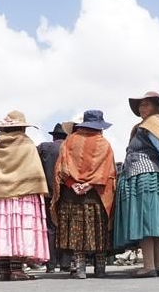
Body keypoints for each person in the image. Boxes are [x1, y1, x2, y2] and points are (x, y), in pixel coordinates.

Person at [0, 110, 50, 281]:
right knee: (18, 230)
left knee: (3, 231)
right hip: (22, 194)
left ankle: (5, 270)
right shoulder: (27, 144)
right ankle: (17, 270)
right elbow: (34, 169)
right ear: (23, 127)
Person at [113, 90, 159, 278]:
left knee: (145, 220)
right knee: (154, 222)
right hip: (154, 175)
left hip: (145, 175)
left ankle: (149, 265)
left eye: (146, 104)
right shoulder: (156, 123)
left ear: (156, 107)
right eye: (141, 105)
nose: (142, 108)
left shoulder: (151, 123)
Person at [50, 110, 116, 279]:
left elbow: (60, 169)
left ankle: (80, 269)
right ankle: (100, 269)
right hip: (95, 195)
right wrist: (89, 184)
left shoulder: (69, 142)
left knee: (77, 232)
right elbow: (108, 172)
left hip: (72, 195)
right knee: (98, 232)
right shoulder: (104, 144)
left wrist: (74, 184)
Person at [38, 122, 68, 273]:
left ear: (54, 136)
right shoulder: (69, 147)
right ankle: (66, 263)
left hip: (48, 193)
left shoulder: (44, 148)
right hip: (66, 192)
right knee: (65, 227)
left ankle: (51, 264)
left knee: (50, 229)